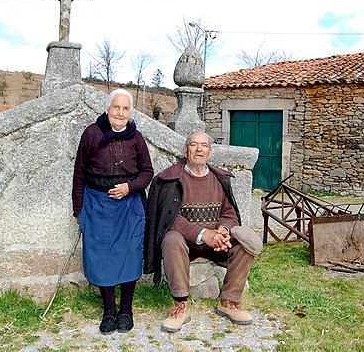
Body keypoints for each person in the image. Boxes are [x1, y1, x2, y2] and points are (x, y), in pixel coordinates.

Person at [144, 131, 256, 333]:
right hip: (186, 243)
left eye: (204, 145)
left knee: (245, 245)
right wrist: (204, 234)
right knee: (171, 239)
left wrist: (223, 231)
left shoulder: (219, 179)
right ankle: (181, 305)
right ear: (186, 150)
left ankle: (229, 302)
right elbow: (170, 219)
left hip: (216, 244)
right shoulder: (171, 179)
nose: (199, 149)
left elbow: (229, 212)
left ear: (210, 152)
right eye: (194, 145)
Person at [72, 88, 153, 334]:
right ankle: (109, 311)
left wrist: (130, 187)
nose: (120, 112)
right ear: (108, 109)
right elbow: (79, 175)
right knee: (101, 258)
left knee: (130, 255)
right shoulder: (91, 134)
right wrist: (79, 210)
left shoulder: (136, 138)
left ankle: (126, 309)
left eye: (125, 108)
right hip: (97, 205)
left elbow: (147, 172)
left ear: (130, 112)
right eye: (116, 107)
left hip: (130, 207)